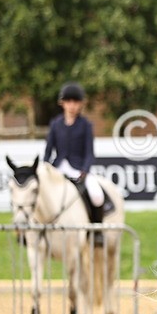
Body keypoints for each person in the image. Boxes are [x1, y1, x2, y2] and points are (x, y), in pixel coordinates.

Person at [43, 82, 107, 242]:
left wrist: (84, 171)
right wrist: (45, 168)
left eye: (75, 102)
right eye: (68, 101)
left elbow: (89, 153)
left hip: (78, 169)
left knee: (97, 195)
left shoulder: (86, 125)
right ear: (62, 103)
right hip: (58, 167)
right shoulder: (55, 124)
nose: (72, 105)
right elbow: (48, 150)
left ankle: (96, 232)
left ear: (81, 104)